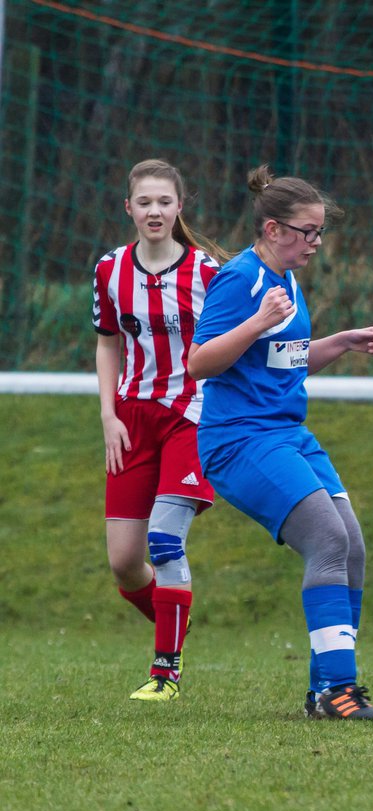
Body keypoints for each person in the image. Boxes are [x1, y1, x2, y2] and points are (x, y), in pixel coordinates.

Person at [188, 164, 373, 721]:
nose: (317, 243)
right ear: (273, 229)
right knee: (326, 537)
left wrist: (339, 343)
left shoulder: (287, 281)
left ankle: (324, 690)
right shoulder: (241, 279)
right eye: (308, 232)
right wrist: (255, 322)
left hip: (287, 434)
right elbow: (200, 362)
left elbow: (286, 361)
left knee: (351, 546)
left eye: (320, 232)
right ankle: (337, 691)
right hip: (239, 440)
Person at [94, 158, 225, 701]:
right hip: (131, 418)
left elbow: (228, 348)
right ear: (129, 208)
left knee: (165, 541)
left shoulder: (209, 273)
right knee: (125, 562)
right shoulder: (110, 269)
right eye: (144, 202)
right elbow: (107, 343)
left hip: (190, 418)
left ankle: (165, 673)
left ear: (179, 207)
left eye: (164, 202)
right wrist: (107, 415)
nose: (154, 211)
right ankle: (175, 615)